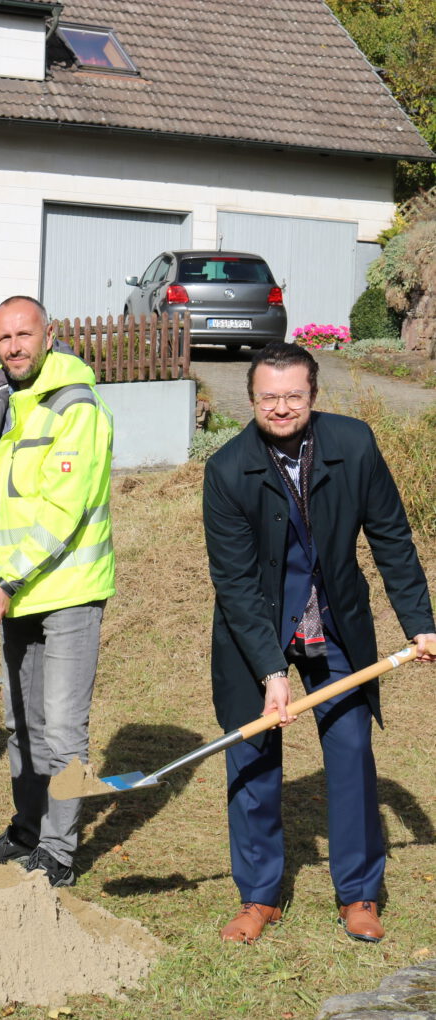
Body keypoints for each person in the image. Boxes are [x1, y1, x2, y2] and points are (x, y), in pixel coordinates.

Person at [203, 341, 435, 945]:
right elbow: (233, 581)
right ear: (251, 398)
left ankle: (358, 893)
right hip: (255, 630)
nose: (281, 408)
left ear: (313, 395)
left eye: (293, 396)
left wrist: (419, 621)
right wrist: (269, 673)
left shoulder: (354, 445)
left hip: (334, 627)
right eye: (268, 397)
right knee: (253, 758)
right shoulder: (227, 470)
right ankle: (259, 897)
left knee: (353, 751)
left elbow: (391, 538)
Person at [0, 295, 114, 887]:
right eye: (3, 338)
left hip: (70, 591)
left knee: (61, 730)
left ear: (50, 334)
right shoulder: (13, 401)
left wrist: (9, 576)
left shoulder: (76, 404)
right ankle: (27, 830)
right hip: (22, 592)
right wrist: (10, 579)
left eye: (25, 334)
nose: (14, 347)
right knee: (20, 724)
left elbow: (63, 507)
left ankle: (58, 854)